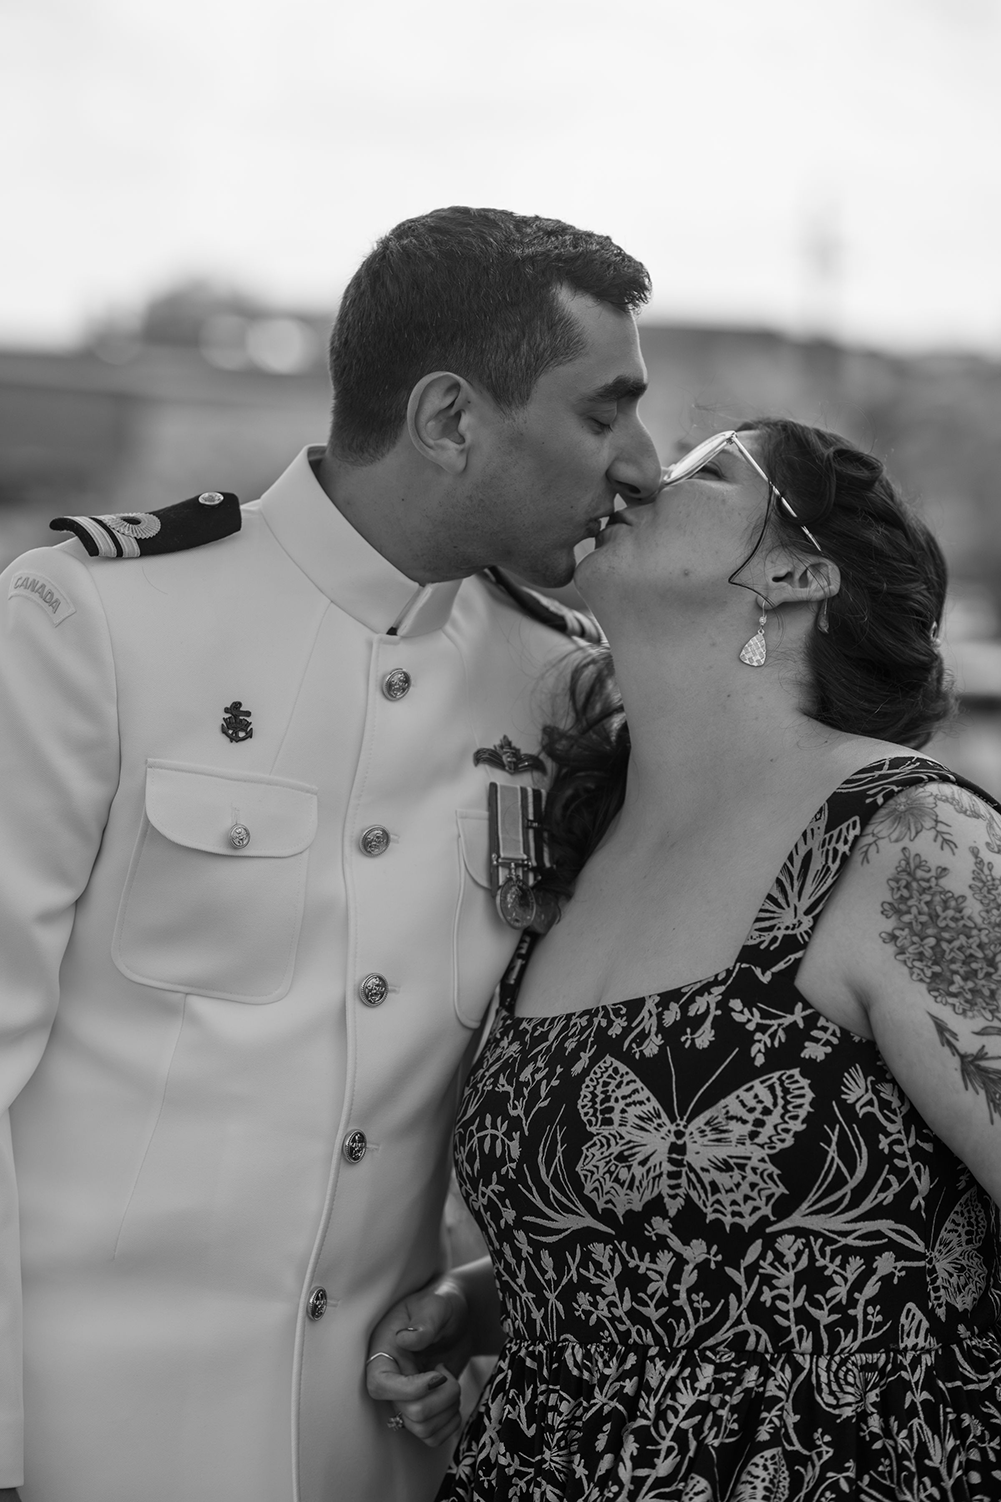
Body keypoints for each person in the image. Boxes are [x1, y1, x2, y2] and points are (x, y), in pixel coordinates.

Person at [0, 206, 663, 1502]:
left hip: (383, 1451)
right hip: (89, 1445)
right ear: (450, 419)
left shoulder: (564, 685)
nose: (641, 464)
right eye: (602, 413)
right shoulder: (93, 624)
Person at [367, 418, 1001, 1500]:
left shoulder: (908, 842)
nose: (633, 475)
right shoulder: (578, 848)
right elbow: (701, 1247)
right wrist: (478, 1301)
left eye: (705, 470)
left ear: (796, 572)